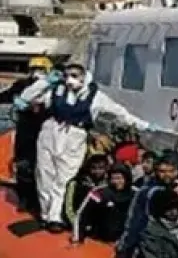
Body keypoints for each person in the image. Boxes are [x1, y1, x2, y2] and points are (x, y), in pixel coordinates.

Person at [16, 62, 151, 232]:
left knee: (64, 178)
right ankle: (45, 212)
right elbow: (27, 97)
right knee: (44, 175)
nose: (69, 80)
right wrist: (45, 82)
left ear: (83, 77)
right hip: (51, 131)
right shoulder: (55, 90)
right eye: (67, 75)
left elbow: (119, 112)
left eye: (74, 75)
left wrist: (144, 125)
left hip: (75, 135)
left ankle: (55, 216)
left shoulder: (96, 97)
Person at [6, 56, 54, 213]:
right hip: (25, 130)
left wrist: (41, 107)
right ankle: (24, 198)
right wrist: (17, 100)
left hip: (45, 132)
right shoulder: (23, 84)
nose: (36, 72)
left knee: (42, 167)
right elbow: (8, 95)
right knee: (23, 165)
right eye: (34, 69)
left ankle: (39, 200)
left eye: (40, 69)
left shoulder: (53, 88)